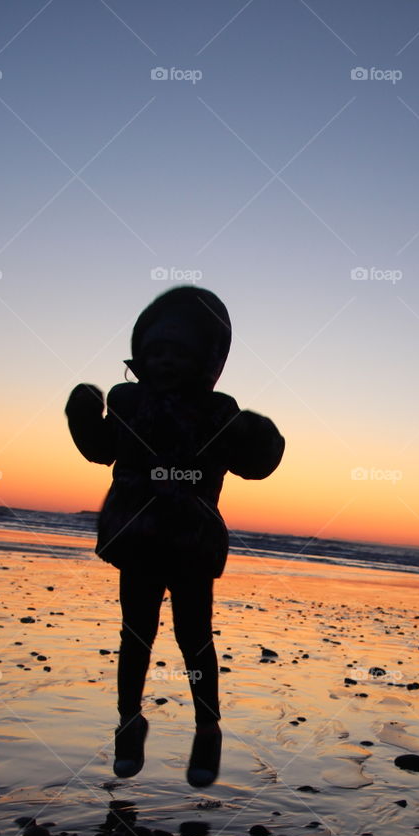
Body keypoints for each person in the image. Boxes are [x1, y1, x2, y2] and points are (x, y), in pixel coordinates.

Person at [65, 286, 284, 785]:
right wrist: (83, 416)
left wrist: (262, 437)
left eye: (179, 353)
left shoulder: (216, 411)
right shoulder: (127, 401)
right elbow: (101, 449)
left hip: (190, 545)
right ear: (141, 354)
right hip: (137, 540)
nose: (165, 361)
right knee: (135, 635)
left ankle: (207, 729)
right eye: (156, 351)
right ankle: (129, 722)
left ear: (205, 360)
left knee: (195, 638)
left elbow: (254, 465)